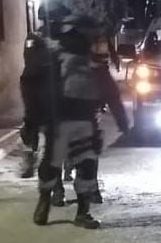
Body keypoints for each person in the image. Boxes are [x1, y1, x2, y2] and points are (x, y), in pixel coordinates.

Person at [33, 14, 128, 229]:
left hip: (67, 121)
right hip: (75, 121)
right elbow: (111, 92)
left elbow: (34, 89)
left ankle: (49, 204)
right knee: (82, 165)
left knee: (59, 164)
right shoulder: (71, 59)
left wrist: (33, 120)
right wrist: (122, 122)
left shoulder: (57, 57)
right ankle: (76, 211)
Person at [18, 3, 68, 179]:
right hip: (45, 87)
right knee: (53, 127)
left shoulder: (34, 38)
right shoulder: (58, 40)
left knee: (32, 123)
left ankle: (32, 158)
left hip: (32, 86)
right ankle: (51, 166)